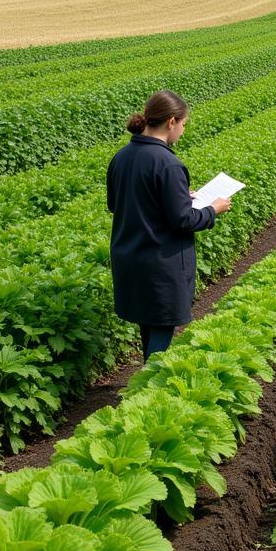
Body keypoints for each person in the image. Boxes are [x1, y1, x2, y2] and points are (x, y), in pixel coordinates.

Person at [106, 89, 231, 361]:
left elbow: (119, 205)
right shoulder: (168, 164)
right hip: (159, 263)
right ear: (171, 122)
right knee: (162, 329)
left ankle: (145, 382)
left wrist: (174, 198)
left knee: (148, 325)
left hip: (129, 258)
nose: (183, 131)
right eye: (184, 124)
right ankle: (149, 392)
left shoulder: (122, 157)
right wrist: (213, 209)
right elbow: (183, 220)